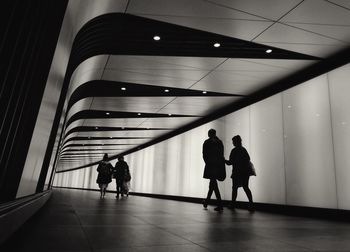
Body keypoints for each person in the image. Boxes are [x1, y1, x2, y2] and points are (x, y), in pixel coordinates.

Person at [225, 135, 254, 211]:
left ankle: (233, 204)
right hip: (245, 171)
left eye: (233, 142)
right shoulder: (243, 150)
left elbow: (230, 162)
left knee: (234, 188)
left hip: (237, 172)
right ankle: (251, 204)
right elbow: (248, 159)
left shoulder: (234, 151)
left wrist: (224, 160)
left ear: (235, 142)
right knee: (246, 187)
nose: (233, 143)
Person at [202, 129, 225, 211]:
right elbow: (222, 154)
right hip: (217, 166)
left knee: (213, 184)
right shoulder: (219, 142)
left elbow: (204, 154)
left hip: (211, 165)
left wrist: (207, 163)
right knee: (213, 184)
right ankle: (207, 201)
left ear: (209, 134)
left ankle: (219, 204)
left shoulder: (207, 142)